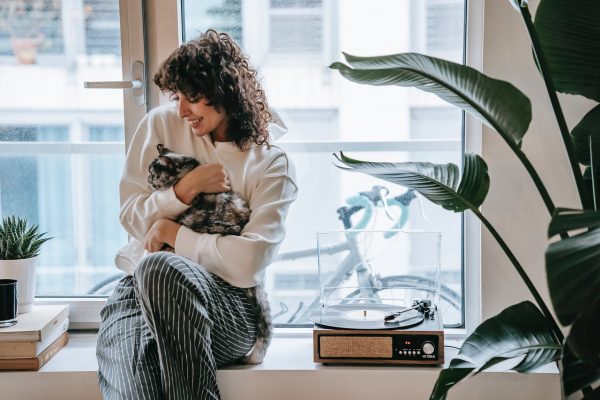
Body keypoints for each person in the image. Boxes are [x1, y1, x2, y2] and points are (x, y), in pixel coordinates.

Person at [96, 29, 298, 400]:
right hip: (137, 295)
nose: (182, 109)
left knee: (159, 266)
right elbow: (131, 218)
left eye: (192, 98)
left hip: (230, 305)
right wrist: (183, 190)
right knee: (131, 386)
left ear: (226, 92)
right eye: (177, 97)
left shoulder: (270, 163)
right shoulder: (160, 125)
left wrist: (173, 234)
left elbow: (248, 262)